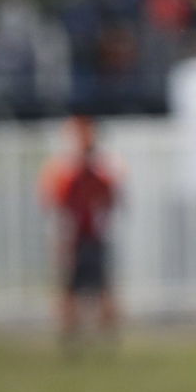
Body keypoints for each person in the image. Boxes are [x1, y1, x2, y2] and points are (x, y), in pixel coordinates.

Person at [39, 116, 120, 350]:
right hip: (76, 239)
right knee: (71, 290)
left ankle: (100, 339)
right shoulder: (67, 172)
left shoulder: (98, 172)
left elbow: (108, 202)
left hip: (90, 238)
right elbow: (54, 203)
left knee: (96, 289)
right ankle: (72, 338)